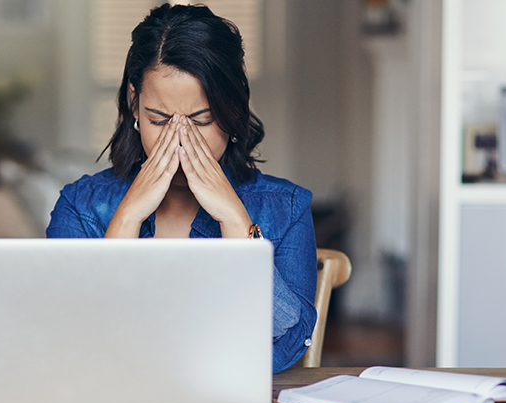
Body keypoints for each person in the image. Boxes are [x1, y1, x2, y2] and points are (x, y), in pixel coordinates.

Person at [46, 4, 317, 373]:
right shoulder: (80, 206)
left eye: (201, 120)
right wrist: (127, 219)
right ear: (134, 105)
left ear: (232, 110)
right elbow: (67, 339)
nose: (179, 141)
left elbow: (284, 344)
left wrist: (235, 221)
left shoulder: (286, 207)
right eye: (159, 119)